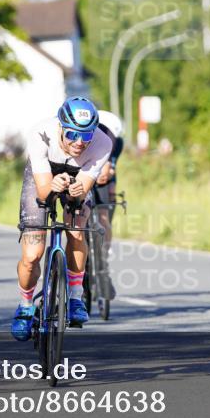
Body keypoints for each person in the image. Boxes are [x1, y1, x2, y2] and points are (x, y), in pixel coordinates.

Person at [11, 96, 113, 341]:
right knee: (32, 255)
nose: (79, 142)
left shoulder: (103, 143)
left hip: (78, 176)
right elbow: (44, 191)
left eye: (86, 136)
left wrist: (78, 192)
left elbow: (85, 187)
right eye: (72, 135)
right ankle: (25, 306)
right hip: (44, 175)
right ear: (60, 127)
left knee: (77, 230)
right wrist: (53, 186)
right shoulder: (40, 133)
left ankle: (76, 297)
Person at [94, 109, 124, 300]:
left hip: (104, 179)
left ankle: (103, 255)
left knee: (105, 212)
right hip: (84, 174)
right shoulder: (88, 136)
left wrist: (109, 175)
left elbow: (111, 168)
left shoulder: (118, 143)